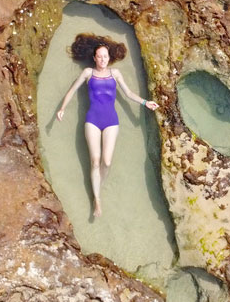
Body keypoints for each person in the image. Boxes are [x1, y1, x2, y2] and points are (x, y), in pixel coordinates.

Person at [56, 33, 158, 218]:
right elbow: (72, 90)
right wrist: (62, 108)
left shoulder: (115, 73)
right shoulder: (88, 73)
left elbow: (128, 93)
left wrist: (145, 102)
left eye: (105, 56)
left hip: (111, 121)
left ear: (109, 58)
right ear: (94, 58)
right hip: (92, 121)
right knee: (95, 160)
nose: (103, 59)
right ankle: (97, 199)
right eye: (99, 56)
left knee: (107, 161)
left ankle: (98, 185)